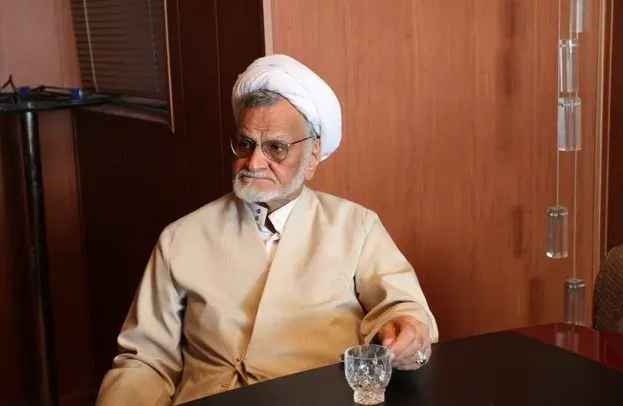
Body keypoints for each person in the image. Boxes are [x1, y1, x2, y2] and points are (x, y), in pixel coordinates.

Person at [96, 54, 438, 406]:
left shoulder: (356, 227)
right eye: (245, 144)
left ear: (313, 156)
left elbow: (401, 308)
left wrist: (407, 329)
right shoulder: (180, 238)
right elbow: (145, 361)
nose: (255, 162)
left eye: (276, 148)